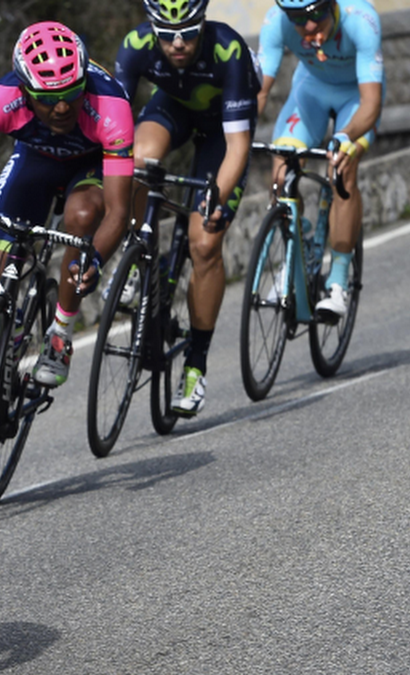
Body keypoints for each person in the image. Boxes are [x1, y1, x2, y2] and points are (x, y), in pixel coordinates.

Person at [0, 20, 134, 465]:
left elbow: (117, 211)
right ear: (24, 90)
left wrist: (95, 257)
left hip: (90, 168)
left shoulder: (110, 105)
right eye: (47, 99)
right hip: (34, 163)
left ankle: (60, 331)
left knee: (81, 216)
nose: (61, 108)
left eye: (71, 94)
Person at [114, 0, 259, 417]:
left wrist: (215, 195)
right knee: (136, 160)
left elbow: (238, 147)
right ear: (152, 27)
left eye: (189, 32)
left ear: (203, 24)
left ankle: (196, 363)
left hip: (222, 133)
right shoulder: (136, 44)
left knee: (204, 243)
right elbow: (116, 129)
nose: (178, 43)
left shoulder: (228, 51)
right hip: (173, 109)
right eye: (167, 33)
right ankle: (142, 253)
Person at [257, 0, 384, 319]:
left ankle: (338, 280)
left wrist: (345, 136)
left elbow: (371, 102)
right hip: (310, 91)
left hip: (356, 97)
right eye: (298, 18)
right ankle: (297, 251)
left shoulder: (361, 21)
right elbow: (259, 92)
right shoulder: (276, 22)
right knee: (280, 170)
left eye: (316, 15)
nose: (309, 26)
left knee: (341, 169)